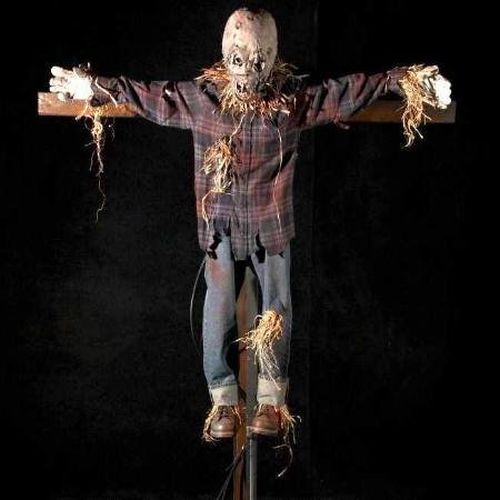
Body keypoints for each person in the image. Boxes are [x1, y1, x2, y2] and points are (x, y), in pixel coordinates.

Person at [48, 7, 452, 443]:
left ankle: (271, 401)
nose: (245, 72)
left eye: (257, 62)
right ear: (226, 55)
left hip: (270, 229)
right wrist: (94, 86)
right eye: (238, 59)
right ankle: (223, 400)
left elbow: (344, 92)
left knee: (276, 306)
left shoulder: (289, 104)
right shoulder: (203, 101)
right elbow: (148, 96)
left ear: (272, 60)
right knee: (218, 304)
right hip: (220, 229)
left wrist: (401, 81)